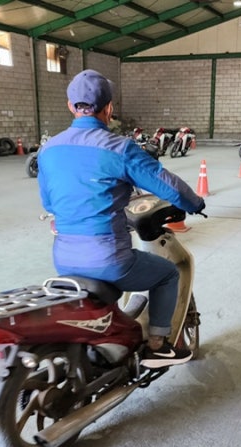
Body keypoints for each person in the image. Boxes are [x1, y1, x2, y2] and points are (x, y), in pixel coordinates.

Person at [37, 69, 205, 369]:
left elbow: (49, 203)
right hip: (108, 259)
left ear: (70, 106)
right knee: (167, 274)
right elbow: (166, 184)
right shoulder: (118, 148)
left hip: (64, 260)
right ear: (109, 108)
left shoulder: (48, 150)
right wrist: (194, 203)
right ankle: (158, 346)